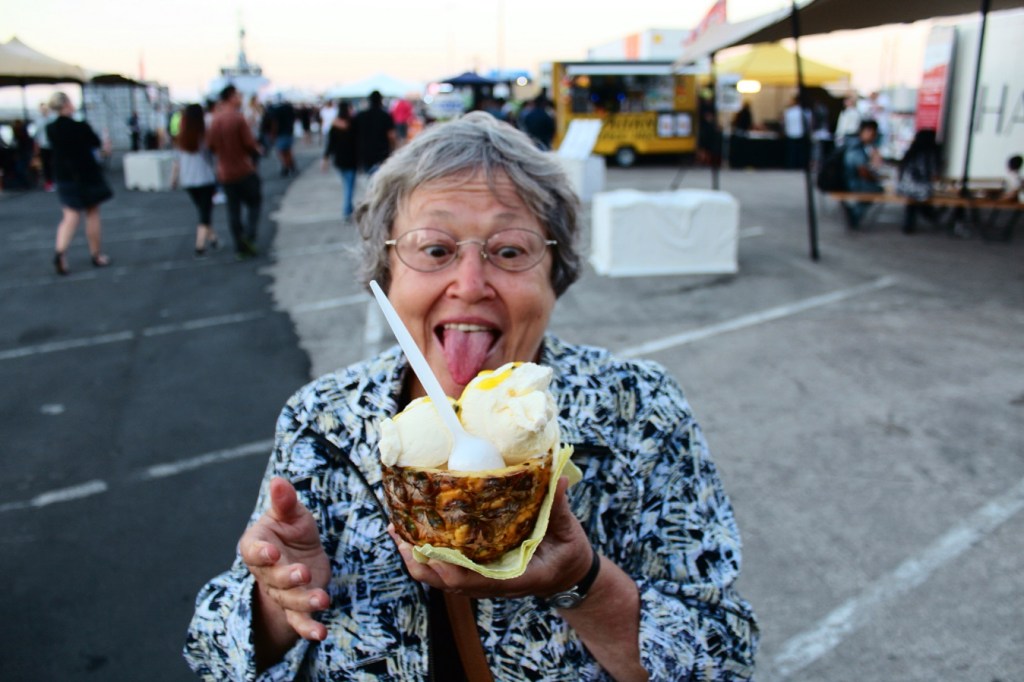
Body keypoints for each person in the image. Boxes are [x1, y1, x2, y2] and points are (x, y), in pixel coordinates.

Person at [184, 111, 759, 680]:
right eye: (435, 249)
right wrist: (280, 602)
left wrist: (583, 582)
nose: (470, 284)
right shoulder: (324, 421)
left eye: (509, 251)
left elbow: (724, 658)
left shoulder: (638, 409)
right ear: (386, 271)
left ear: (556, 271)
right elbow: (212, 651)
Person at [46, 91, 113, 275]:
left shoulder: (51, 129)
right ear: (66, 104)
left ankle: (60, 252)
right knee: (92, 213)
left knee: (70, 216)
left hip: (64, 176)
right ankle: (96, 254)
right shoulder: (80, 126)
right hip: (85, 175)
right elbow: (95, 143)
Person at [207, 84, 262, 259]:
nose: (240, 99)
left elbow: (211, 145)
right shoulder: (238, 118)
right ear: (231, 97)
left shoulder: (215, 120)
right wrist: (256, 152)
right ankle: (249, 236)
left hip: (225, 172)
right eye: (238, 95)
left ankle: (239, 245)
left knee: (233, 210)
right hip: (243, 169)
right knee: (254, 203)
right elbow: (250, 144)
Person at [172, 103, 221, 257]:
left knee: (202, 210)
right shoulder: (204, 137)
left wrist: (173, 179)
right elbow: (214, 156)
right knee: (205, 212)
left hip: (188, 180)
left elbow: (176, 162)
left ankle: (213, 238)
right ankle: (200, 245)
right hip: (205, 178)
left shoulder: (181, 138)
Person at [895, 130, 941, 234]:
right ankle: (931, 215)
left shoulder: (911, 152)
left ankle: (910, 224)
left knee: (913, 200)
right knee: (920, 197)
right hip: (921, 190)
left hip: (903, 188)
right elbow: (934, 176)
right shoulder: (929, 154)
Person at [841, 119, 884, 228]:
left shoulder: (856, 145)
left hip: (850, 181)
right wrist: (876, 179)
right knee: (876, 189)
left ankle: (855, 214)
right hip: (852, 183)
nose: (873, 137)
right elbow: (863, 171)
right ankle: (855, 214)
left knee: (874, 189)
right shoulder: (856, 147)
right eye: (872, 134)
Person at [321, 101, 358, 220]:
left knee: (347, 185)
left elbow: (330, 145)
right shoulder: (353, 124)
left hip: (339, 160)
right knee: (349, 186)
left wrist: (325, 158)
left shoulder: (334, 126)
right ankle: (347, 210)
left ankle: (349, 208)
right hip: (351, 159)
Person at [354, 90, 396, 175]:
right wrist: (393, 149)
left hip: (365, 153)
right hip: (382, 153)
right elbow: (391, 135)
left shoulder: (361, 116)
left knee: (370, 177)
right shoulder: (385, 116)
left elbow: (354, 134)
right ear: (380, 100)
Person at [33, 102, 56, 191]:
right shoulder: (38, 120)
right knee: (46, 164)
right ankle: (49, 182)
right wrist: (36, 146)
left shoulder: (52, 118)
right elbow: (37, 134)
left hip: (53, 144)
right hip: (43, 145)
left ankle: (55, 180)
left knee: (54, 163)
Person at [783, 95, 808, 169]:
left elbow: (785, 123)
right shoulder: (803, 111)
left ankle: (791, 165)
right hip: (800, 133)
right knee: (799, 152)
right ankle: (799, 165)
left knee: (792, 152)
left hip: (791, 134)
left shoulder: (789, 112)